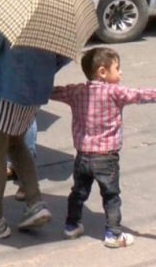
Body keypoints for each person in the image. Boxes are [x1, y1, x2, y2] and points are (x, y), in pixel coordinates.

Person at [0, 14, 66, 238]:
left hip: (1, 90)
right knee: (16, 143)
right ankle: (35, 202)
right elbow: (61, 54)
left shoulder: (4, 6)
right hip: (33, 90)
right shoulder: (50, 11)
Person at [50, 47, 156, 248]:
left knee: (78, 192)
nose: (121, 72)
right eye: (117, 68)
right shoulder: (116, 92)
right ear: (102, 72)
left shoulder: (76, 91)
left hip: (82, 156)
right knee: (111, 196)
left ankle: (71, 226)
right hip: (106, 158)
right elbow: (141, 95)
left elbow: (52, 92)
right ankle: (113, 234)